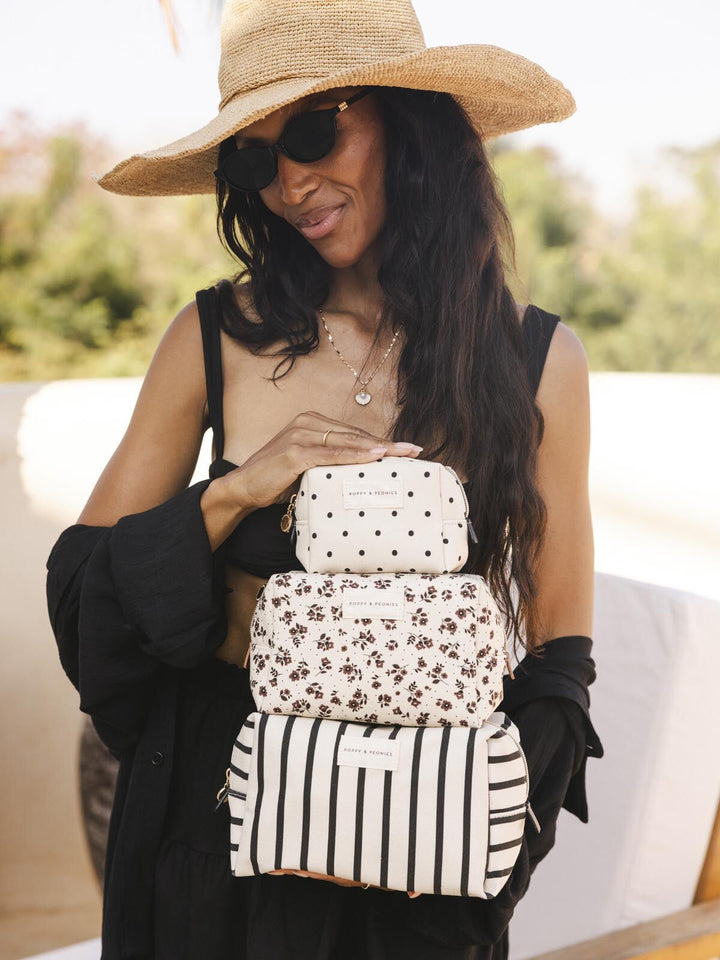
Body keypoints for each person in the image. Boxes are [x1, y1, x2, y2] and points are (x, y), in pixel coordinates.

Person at [46, 1, 604, 957]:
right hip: (213, 828)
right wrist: (239, 489)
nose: (290, 183)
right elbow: (81, 584)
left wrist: (469, 843)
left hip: (415, 848)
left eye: (313, 134)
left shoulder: (536, 361)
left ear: (409, 123)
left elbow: (560, 656)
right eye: (254, 161)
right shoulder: (213, 337)